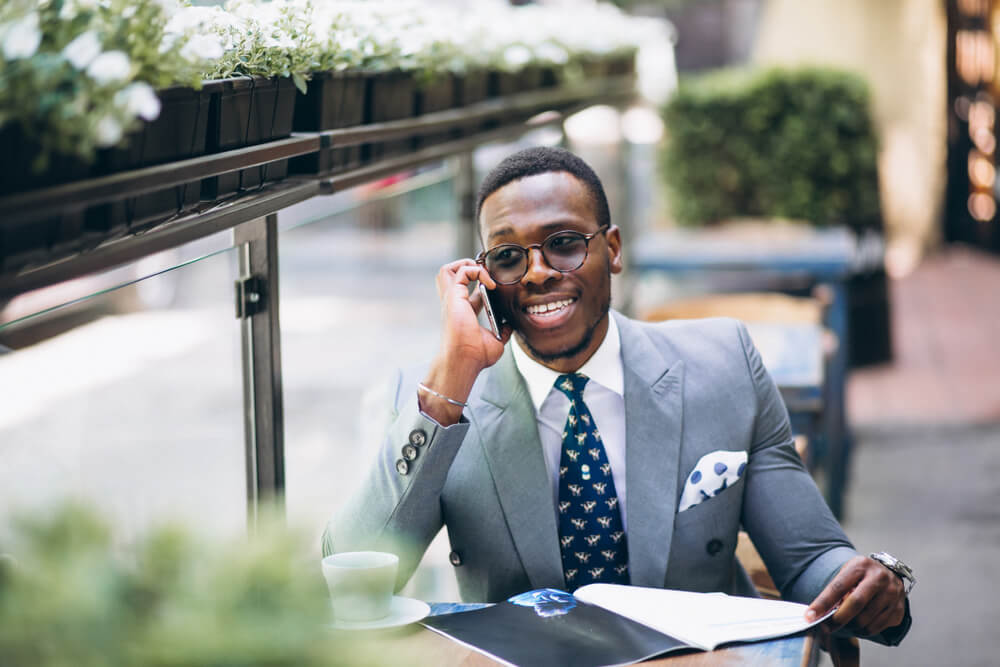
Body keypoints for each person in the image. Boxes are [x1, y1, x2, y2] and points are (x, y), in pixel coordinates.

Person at [324, 147, 911, 645]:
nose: (535, 273)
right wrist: (451, 385)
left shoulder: (724, 363)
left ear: (614, 248)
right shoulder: (436, 398)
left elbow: (809, 559)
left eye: (562, 243)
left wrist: (869, 584)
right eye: (507, 256)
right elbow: (349, 581)